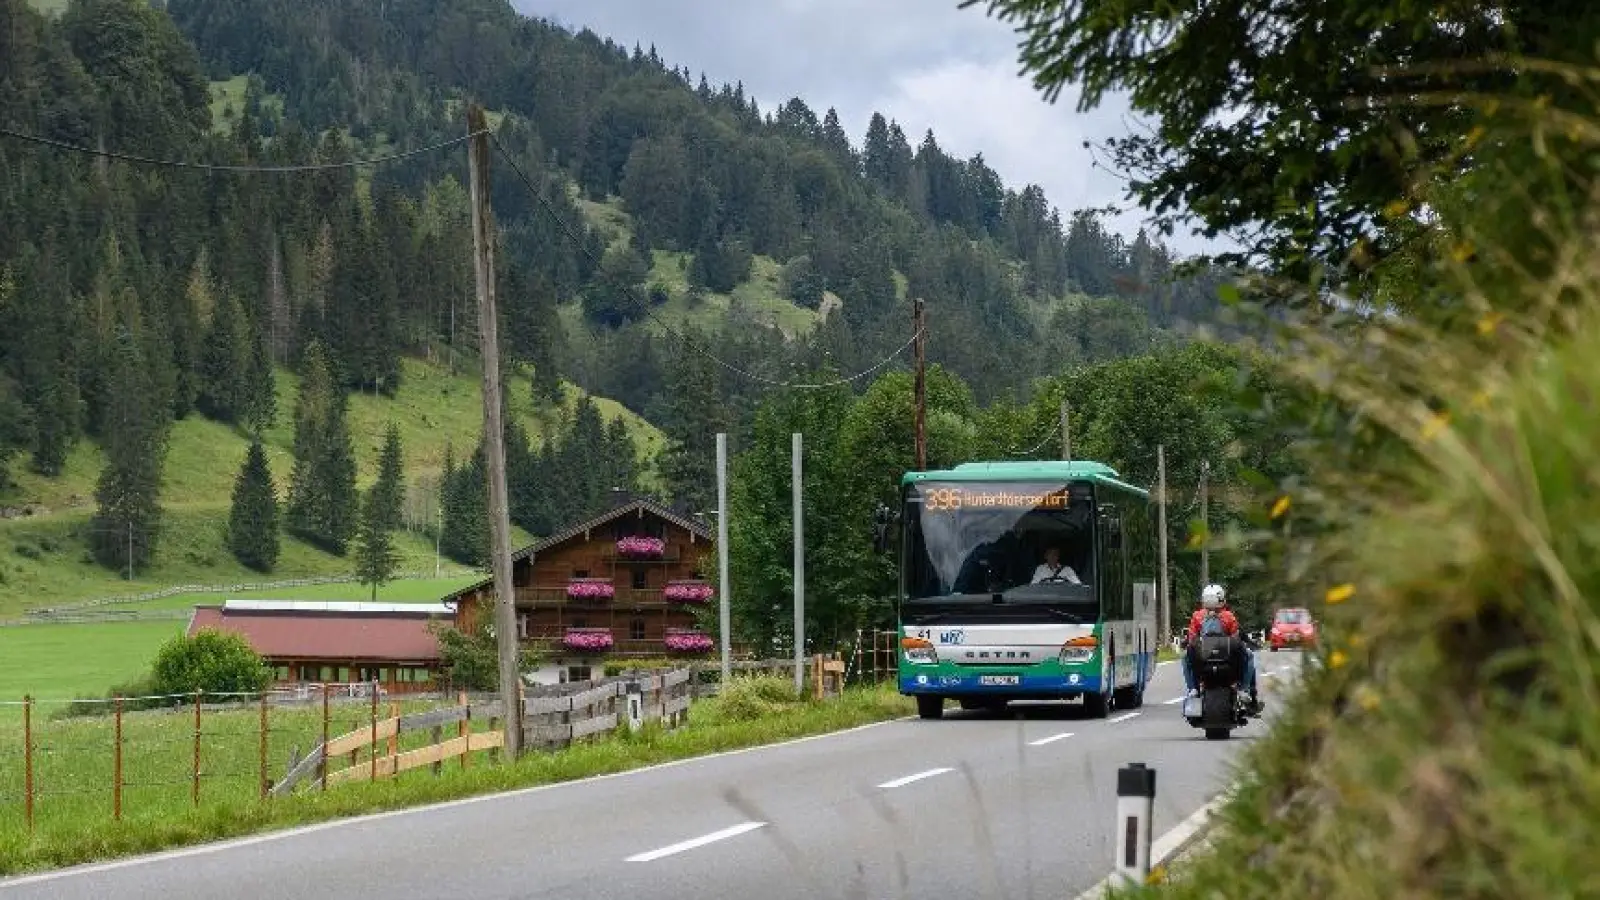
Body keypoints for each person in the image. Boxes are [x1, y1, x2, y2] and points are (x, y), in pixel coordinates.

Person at [1182, 583, 1260, 712]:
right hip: (1226, 657)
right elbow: (1235, 637)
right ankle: (1244, 689)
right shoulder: (1228, 616)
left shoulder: (1197, 616)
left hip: (1204, 656)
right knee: (1250, 656)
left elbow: (1192, 638)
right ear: (1221, 599)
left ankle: (1193, 688)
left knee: (1185, 658)